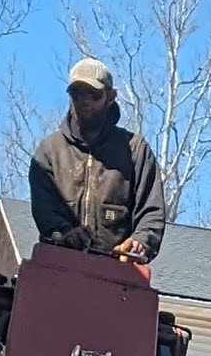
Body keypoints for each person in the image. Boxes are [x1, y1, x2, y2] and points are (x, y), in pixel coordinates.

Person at [28, 58, 169, 266]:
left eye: (93, 95)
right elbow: (45, 211)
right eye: (77, 94)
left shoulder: (135, 150)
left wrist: (140, 242)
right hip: (60, 267)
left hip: (118, 271)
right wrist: (64, 234)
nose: (84, 101)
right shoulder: (49, 152)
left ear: (110, 97)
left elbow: (151, 212)